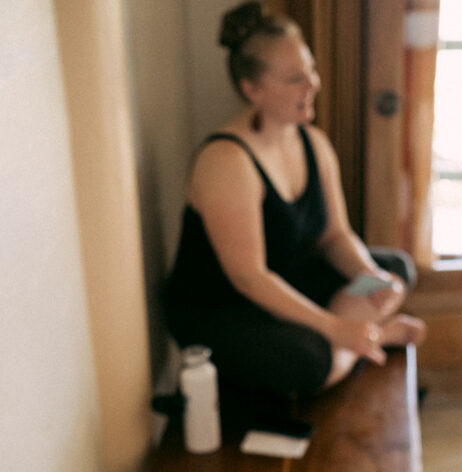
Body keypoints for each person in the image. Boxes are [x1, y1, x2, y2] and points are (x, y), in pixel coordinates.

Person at [163, 2, 426, 405]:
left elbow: (335, 235)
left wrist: (370, 276)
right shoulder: (226, 161)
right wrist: (335, 326)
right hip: (225, 307)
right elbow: (249, 277)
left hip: (289, 277)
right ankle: (368, 339)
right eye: (294, 78)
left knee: (395, 269)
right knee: (307, 360)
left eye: (311, 71)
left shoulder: (313, 144)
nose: (313, 85)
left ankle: (350, 344)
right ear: (253, 90)